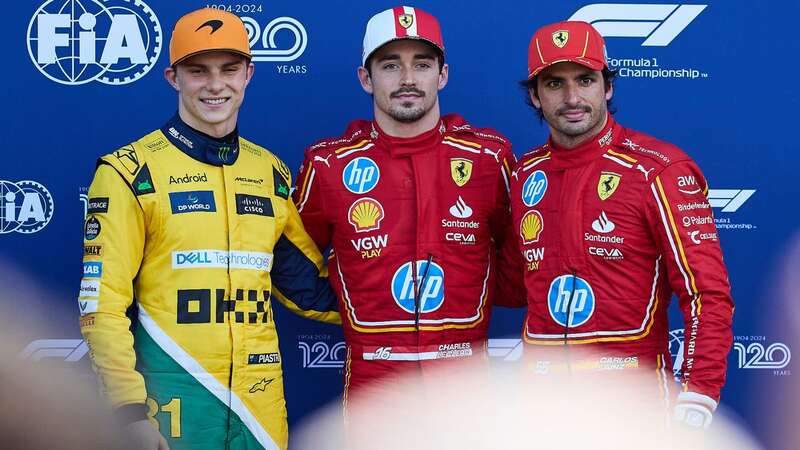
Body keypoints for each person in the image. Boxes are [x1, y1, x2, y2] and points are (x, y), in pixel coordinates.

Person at [78, 8, 339, 450]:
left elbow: (308, 288)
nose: (216, 85)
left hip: (259, 406)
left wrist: (406, 301)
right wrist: (128, 413)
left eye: (229, 69)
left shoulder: (270, 171)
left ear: (249, 75)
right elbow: (102, 306)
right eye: (198, 71)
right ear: (172, 78)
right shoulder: (129, 171)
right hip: (173, 401)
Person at [292, 5, 522, 411]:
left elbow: (522, 258)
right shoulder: (329, 165)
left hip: (464, 381)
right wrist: (356, 304)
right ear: (366, 78)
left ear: (443, 74)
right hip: (374, 382)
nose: (408, 79)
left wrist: (470, 298)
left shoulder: (488, 157)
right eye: (390, 65)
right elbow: (291, 262)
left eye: (422, 64)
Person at [507, 20, 734, 428]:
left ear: (607, 87)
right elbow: (510, 279)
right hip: (539, 407)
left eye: (585, 80)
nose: (572, 97)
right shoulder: (526, 174)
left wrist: (699, 394)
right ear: (536, 97)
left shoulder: (659, 169)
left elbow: (707, 294)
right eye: (554, 84)